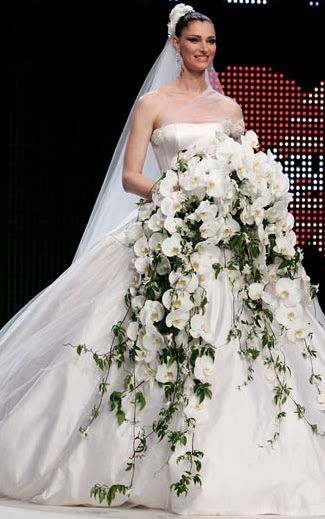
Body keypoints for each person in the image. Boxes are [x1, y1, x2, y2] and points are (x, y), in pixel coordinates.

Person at [0, 4, 325, 516]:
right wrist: (180, 197)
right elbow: (132, 175)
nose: (204, 49)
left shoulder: (230, 108)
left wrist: (244, 203)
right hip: (169, 231)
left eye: (211, 41)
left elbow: (245, 171)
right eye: (195, 40)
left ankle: (241, 456)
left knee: (237, 343)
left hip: (222, 243)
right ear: (176, 44)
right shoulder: (152, 103)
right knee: (138, 337)